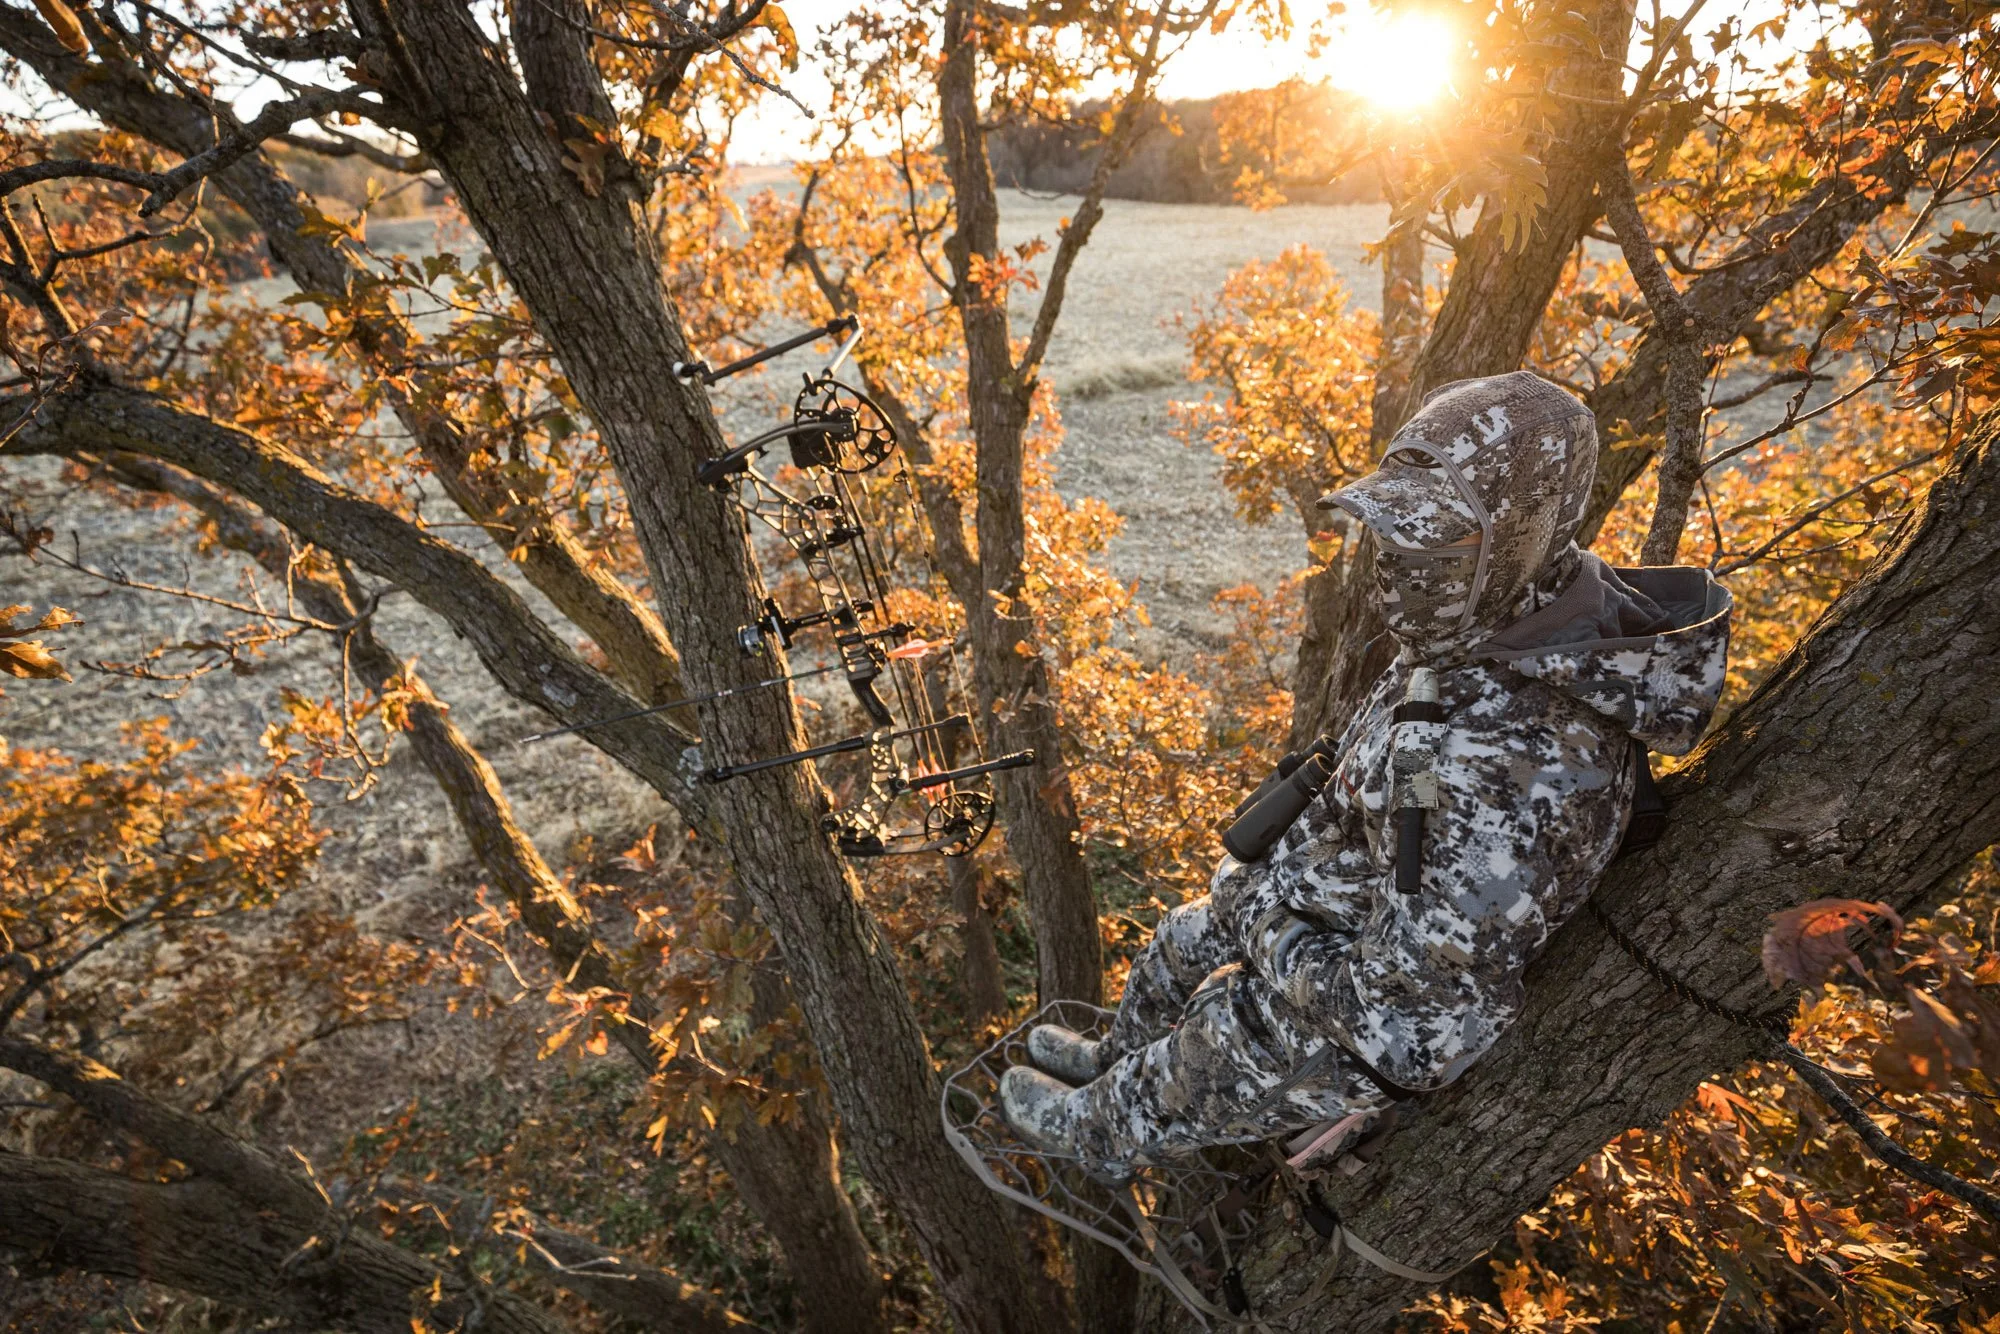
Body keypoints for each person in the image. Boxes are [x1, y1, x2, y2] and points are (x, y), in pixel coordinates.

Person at [1000, 370, 1732, 1171]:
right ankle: (1112, 1055)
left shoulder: (1523, 763)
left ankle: (1095, 1128)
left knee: (1213, 1043)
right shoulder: (1489, 628)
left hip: (1365, 1026)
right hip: (1338, 919)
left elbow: (1405, 1015)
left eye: (1428, 541)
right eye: (1391, 534)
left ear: (1518, 538)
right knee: (1181, 938)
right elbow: (1414, 797)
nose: (1393, 565)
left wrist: (1262, 924)